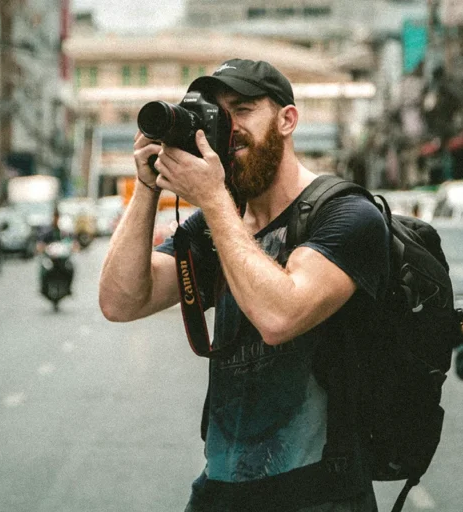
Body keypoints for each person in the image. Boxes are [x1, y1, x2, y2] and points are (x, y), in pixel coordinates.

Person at [99, 59, 389, 511]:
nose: (227, 127)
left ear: (287, 119)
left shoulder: (346, 215)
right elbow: (122, 300)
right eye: (215, 113)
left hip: (319, 494)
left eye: (243, 108)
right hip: (222, 487)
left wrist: (214, 198)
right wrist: (147, 189)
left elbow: (280, 316)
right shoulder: (221, 220)